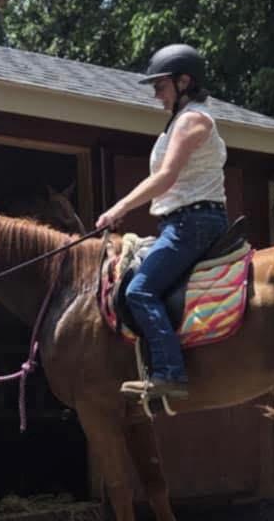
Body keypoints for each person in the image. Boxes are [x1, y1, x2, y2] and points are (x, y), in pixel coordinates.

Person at [95, 43, 229, 400]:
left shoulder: (193, 120)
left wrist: (118, 208)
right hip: (182, 222)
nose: (156, 95)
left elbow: (167, 176)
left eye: (160, 86)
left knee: (139, 291)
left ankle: (170, 373)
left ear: (184, 82)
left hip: (192, 223)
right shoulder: (180, 121)